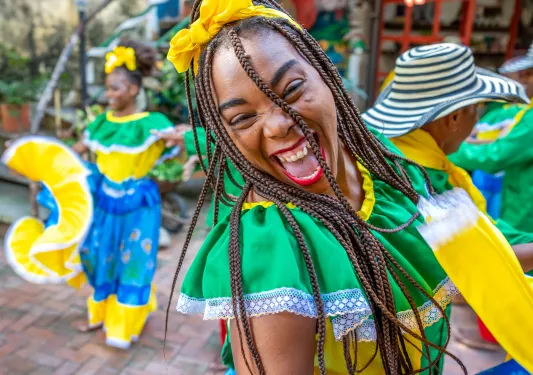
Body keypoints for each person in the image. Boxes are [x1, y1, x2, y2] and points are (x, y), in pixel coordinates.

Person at [161, 1, 533, 373]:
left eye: (290, 90)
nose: (276, 126)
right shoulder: (273, 250)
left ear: (328, 77)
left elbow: (456, 247)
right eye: (242, 118)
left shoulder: (378, 162)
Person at [3, 42, 176, 349]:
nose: (108, 95)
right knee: (100, 258)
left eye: (115, 88)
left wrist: (186, 138)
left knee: (134, 261)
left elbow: (180, 151)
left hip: (139, 206)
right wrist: (41, 168)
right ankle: (100, 314)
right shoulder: (100, 124)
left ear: (134, 89)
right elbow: (72, 156)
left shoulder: (154, 125)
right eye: (107, 88)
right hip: (104, 203)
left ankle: (125, 325)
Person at [448, 42, 533, 232]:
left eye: (529, 73)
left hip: (526, 212)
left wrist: (442, 150)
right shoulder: (525, 112)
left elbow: (496, 155)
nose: (524, 79)